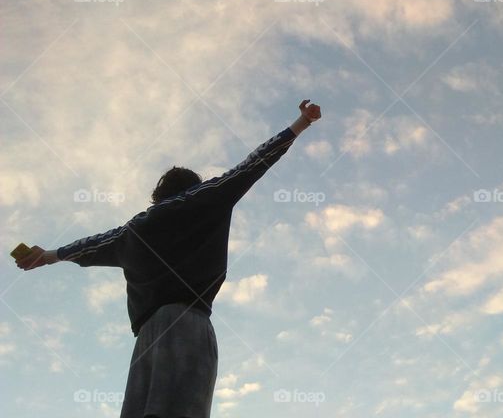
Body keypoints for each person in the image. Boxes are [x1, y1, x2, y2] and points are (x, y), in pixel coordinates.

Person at [14, 98, 323, 418]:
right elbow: (252, 165)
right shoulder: (208, 198)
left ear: (157, 195)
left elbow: (88, 247)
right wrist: (300, 124)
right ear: (194, 185)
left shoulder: (132, 230)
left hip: (147, 336)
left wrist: (47, 255)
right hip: (189, 324)